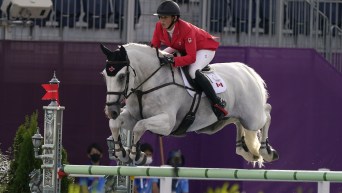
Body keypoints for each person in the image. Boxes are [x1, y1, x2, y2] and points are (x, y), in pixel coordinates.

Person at [150, 0, 228, 120]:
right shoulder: (158, 26)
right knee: (160, 57)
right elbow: (154, 48)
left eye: (165, 17)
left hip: (204, 48)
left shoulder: (186, 29)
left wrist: (172, 61)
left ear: (175, 18)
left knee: (193, 71)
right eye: (160, 17)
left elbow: (191, 58)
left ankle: (217, 103)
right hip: (180, 46)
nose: (162, 20)